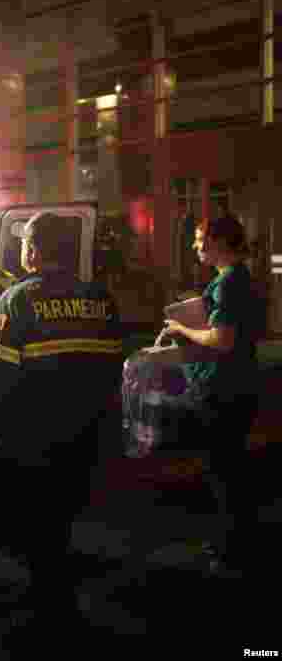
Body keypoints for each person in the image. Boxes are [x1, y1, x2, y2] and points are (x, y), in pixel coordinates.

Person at [0, 212, 123, 642]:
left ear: (33, 251)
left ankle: (51, 617)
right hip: (87, 432)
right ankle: (61, 600)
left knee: (39, 524)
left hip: (35, 436)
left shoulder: (16, 301)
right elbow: (115, 365)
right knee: (64, 515)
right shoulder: (101, 298)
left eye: (25, 244)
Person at [160, 215, 261, 574]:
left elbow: (222, 338)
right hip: (236, 385)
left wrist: (182, 328)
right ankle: (233, 541)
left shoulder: (229, 283)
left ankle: (232, 550)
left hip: (222, 388)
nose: (195, 245)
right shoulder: (236, 278)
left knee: (223, 471)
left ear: (218, 242)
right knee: (230, 469)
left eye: (200, 238)